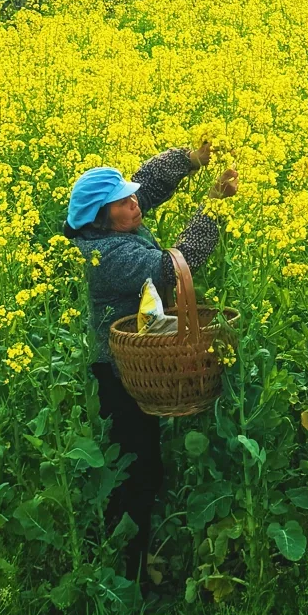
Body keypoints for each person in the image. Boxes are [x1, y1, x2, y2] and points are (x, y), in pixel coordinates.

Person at [65, 144, 238, 583]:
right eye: (123, 202)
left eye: (130, 197)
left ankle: (136, 562)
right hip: (119, 372)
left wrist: (193, 158)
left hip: (138, 363)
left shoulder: (117, 224)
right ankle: (128, 574)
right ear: (102, 219)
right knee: (135, 471)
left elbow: (148, 182)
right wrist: (213, 209)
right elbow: (172, 266)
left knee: (145, 466)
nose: (134, 202)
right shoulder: (108, 256)